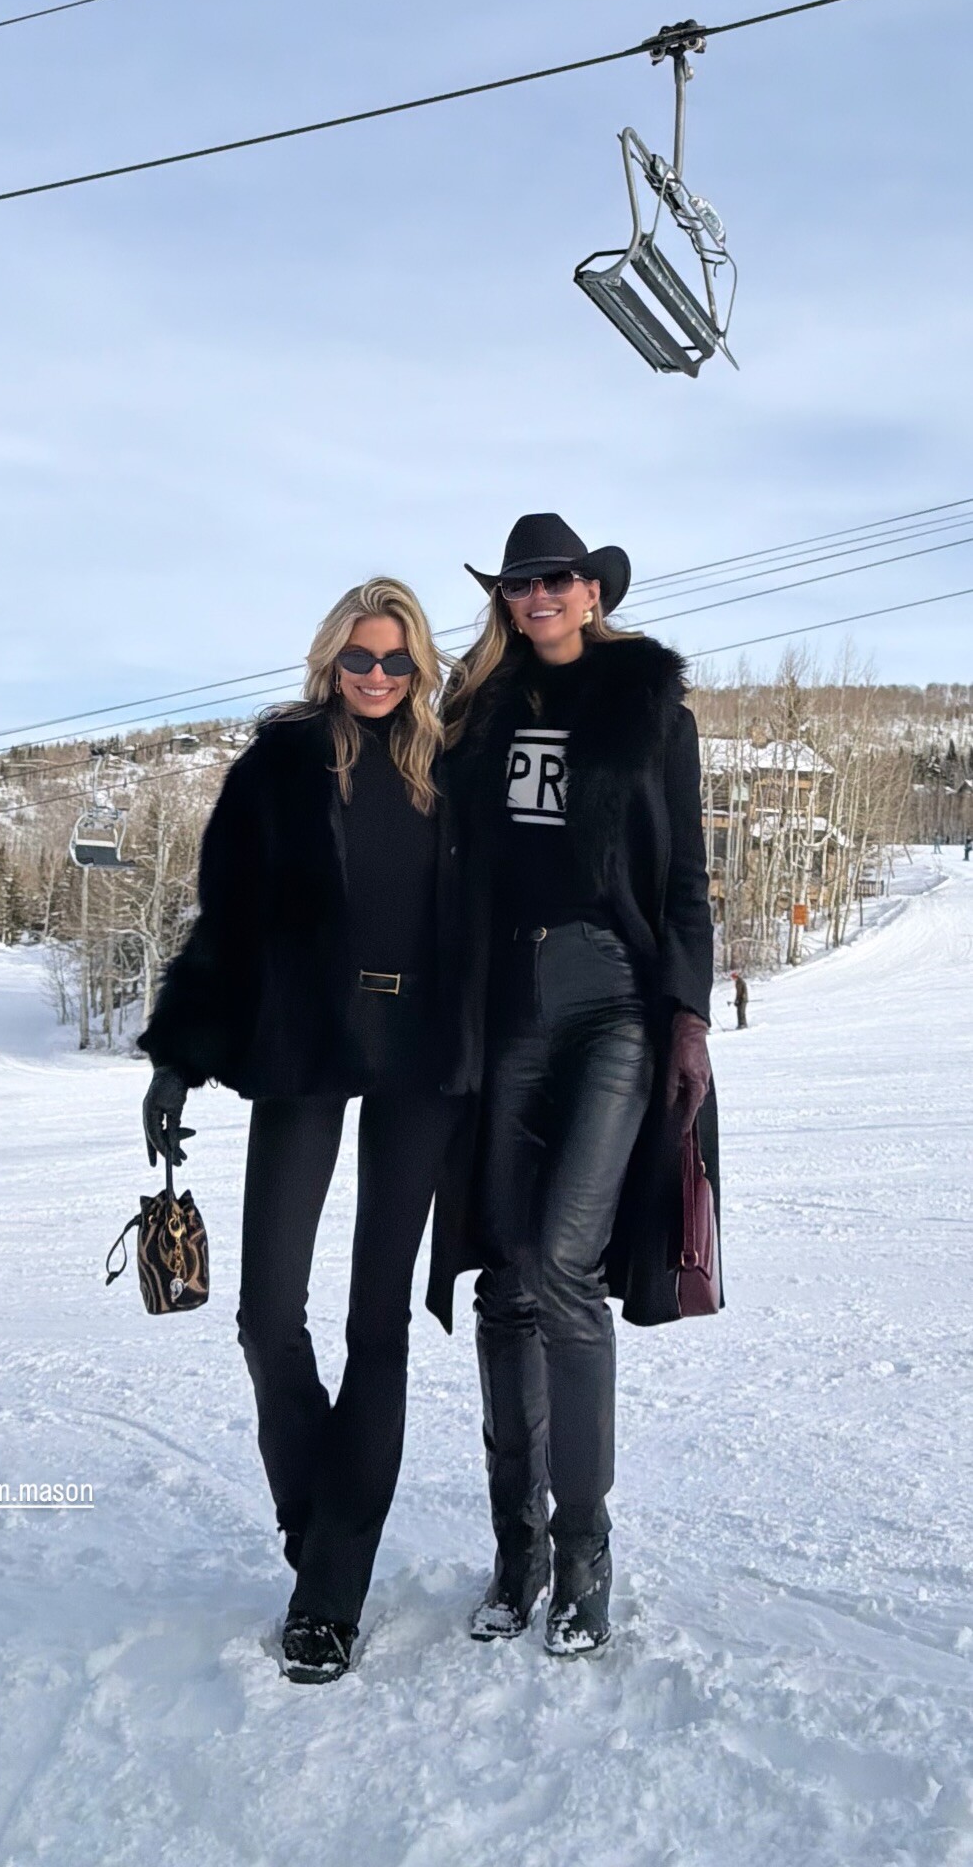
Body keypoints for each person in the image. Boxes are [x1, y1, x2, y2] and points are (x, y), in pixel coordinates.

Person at [138, 579, 475, 1685]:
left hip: (423, 1052)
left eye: (396, 660)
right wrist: (179, 1054)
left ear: (420, 668)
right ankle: (315, 1522)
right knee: (265, 1312)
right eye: (359, 658)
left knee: (378, 1322)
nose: (376, 677)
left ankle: (330, 1592)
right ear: (331, 660)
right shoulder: (279, 763)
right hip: (304, 1043)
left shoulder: (452, 765)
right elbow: (226, 920)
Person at [439, 512, 717, 1658]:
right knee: (506, 1278)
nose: (539, 595)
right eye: (520, 584)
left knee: (562, 1262)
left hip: (613, 1002)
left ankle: (585, 1547)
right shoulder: (478, 712)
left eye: (556, 578)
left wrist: (688, 1011)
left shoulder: (651, 708)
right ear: (505, 601)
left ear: (592, 591)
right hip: (506, 1003)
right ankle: (519, 1548)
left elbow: (686, 873)